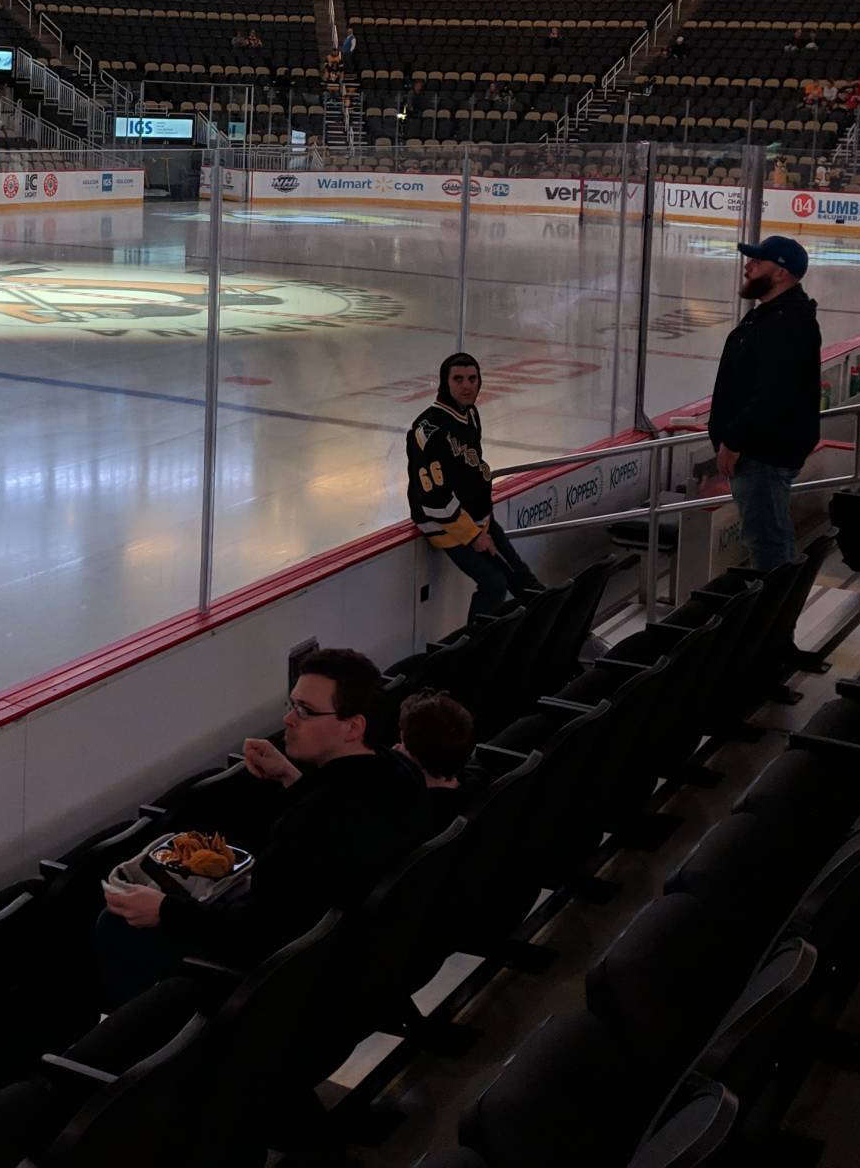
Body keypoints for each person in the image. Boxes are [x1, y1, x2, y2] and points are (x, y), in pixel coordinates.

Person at [97, 648, 428, 1003]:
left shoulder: (310, 824)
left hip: (285, 980)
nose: (289, 720)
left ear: (352, 726)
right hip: (361, 952)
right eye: (292, 704)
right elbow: (339, 827)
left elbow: (258, 933)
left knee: (114, 925)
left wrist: (164, 910)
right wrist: (291, 777)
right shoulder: (400, 772)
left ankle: (123, 1039)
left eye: (305, 711)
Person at [707, 237, 823, 575]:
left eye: (758, 261)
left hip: (761, 454)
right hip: (761, 450)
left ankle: (774, 621)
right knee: (767, 538)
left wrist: (735, 440)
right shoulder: (775, 315)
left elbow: (773, 393)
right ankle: (774, 616)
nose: (748, 266)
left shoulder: (786, 322)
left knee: (768, 543)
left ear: (781, 273)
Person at [406, 352, 544, 620]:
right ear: (445, 383)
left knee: (522, 577)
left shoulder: (470, 414)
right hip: (446, 525)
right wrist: (473, 535)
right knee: (495, 583)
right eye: (458, 379)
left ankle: (557, 627)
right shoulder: (428, 429)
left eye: (472, 378)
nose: (467, 386)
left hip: (478, 519)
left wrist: (481, 523)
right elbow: (434, 498)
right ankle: (473, 655)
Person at [397, 691, 474, 836]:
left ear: (417, 758)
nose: (395, 748)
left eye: (402, 743)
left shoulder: (411, 816)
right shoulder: (472, 783)